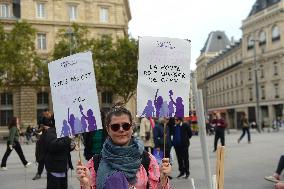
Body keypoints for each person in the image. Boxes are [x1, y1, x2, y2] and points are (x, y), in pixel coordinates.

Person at [76, 106, 171, 189]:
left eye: (125, 126)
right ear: (108, 130)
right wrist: (86, 185)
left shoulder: (148, 160)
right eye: (115, 127)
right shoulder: (95, 163)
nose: (121, 130)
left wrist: (162, 179)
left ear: (132, 128)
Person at [43, 119, 75, 189]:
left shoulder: (64, 131)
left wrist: (72, 144)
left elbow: (66, 147)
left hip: (63, 167)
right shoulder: (51, 132)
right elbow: (53, 146)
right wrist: (68, 138)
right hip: (55, 167)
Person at [33, 109, 54, 180]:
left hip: (53, 141)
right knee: (41, 158)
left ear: (50, 113)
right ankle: (39, 173)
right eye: (45, 115)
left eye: (47, 114)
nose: (46, 116)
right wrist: (39, 129)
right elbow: (39, 131)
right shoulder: (42, 119)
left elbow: (58, 129)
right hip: (43, 141)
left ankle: (51, 173)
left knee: (51, 158)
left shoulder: (54, 119)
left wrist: (49, 128)